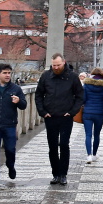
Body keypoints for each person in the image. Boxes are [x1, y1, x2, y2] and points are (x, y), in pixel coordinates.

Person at [35, 53, 84, 185]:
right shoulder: (46, 76)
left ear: (64, 62)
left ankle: (63, 174)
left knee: (64, 145)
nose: (56, 68)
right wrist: (42, 112)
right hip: (50, 116)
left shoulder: (72, 77)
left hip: (66, 116)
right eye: (54, 65)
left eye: (58, 65)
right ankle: (55, 174)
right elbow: (38, 95)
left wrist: (72, 112)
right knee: (52, 146)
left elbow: (80, 96)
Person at [82, 68, 103, 163]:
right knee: (96, 135)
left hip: (87, 112)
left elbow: (83, 99)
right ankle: (94, 155)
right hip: (99, 113)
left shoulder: (86, 84)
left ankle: (88, 155)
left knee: (88, 134)